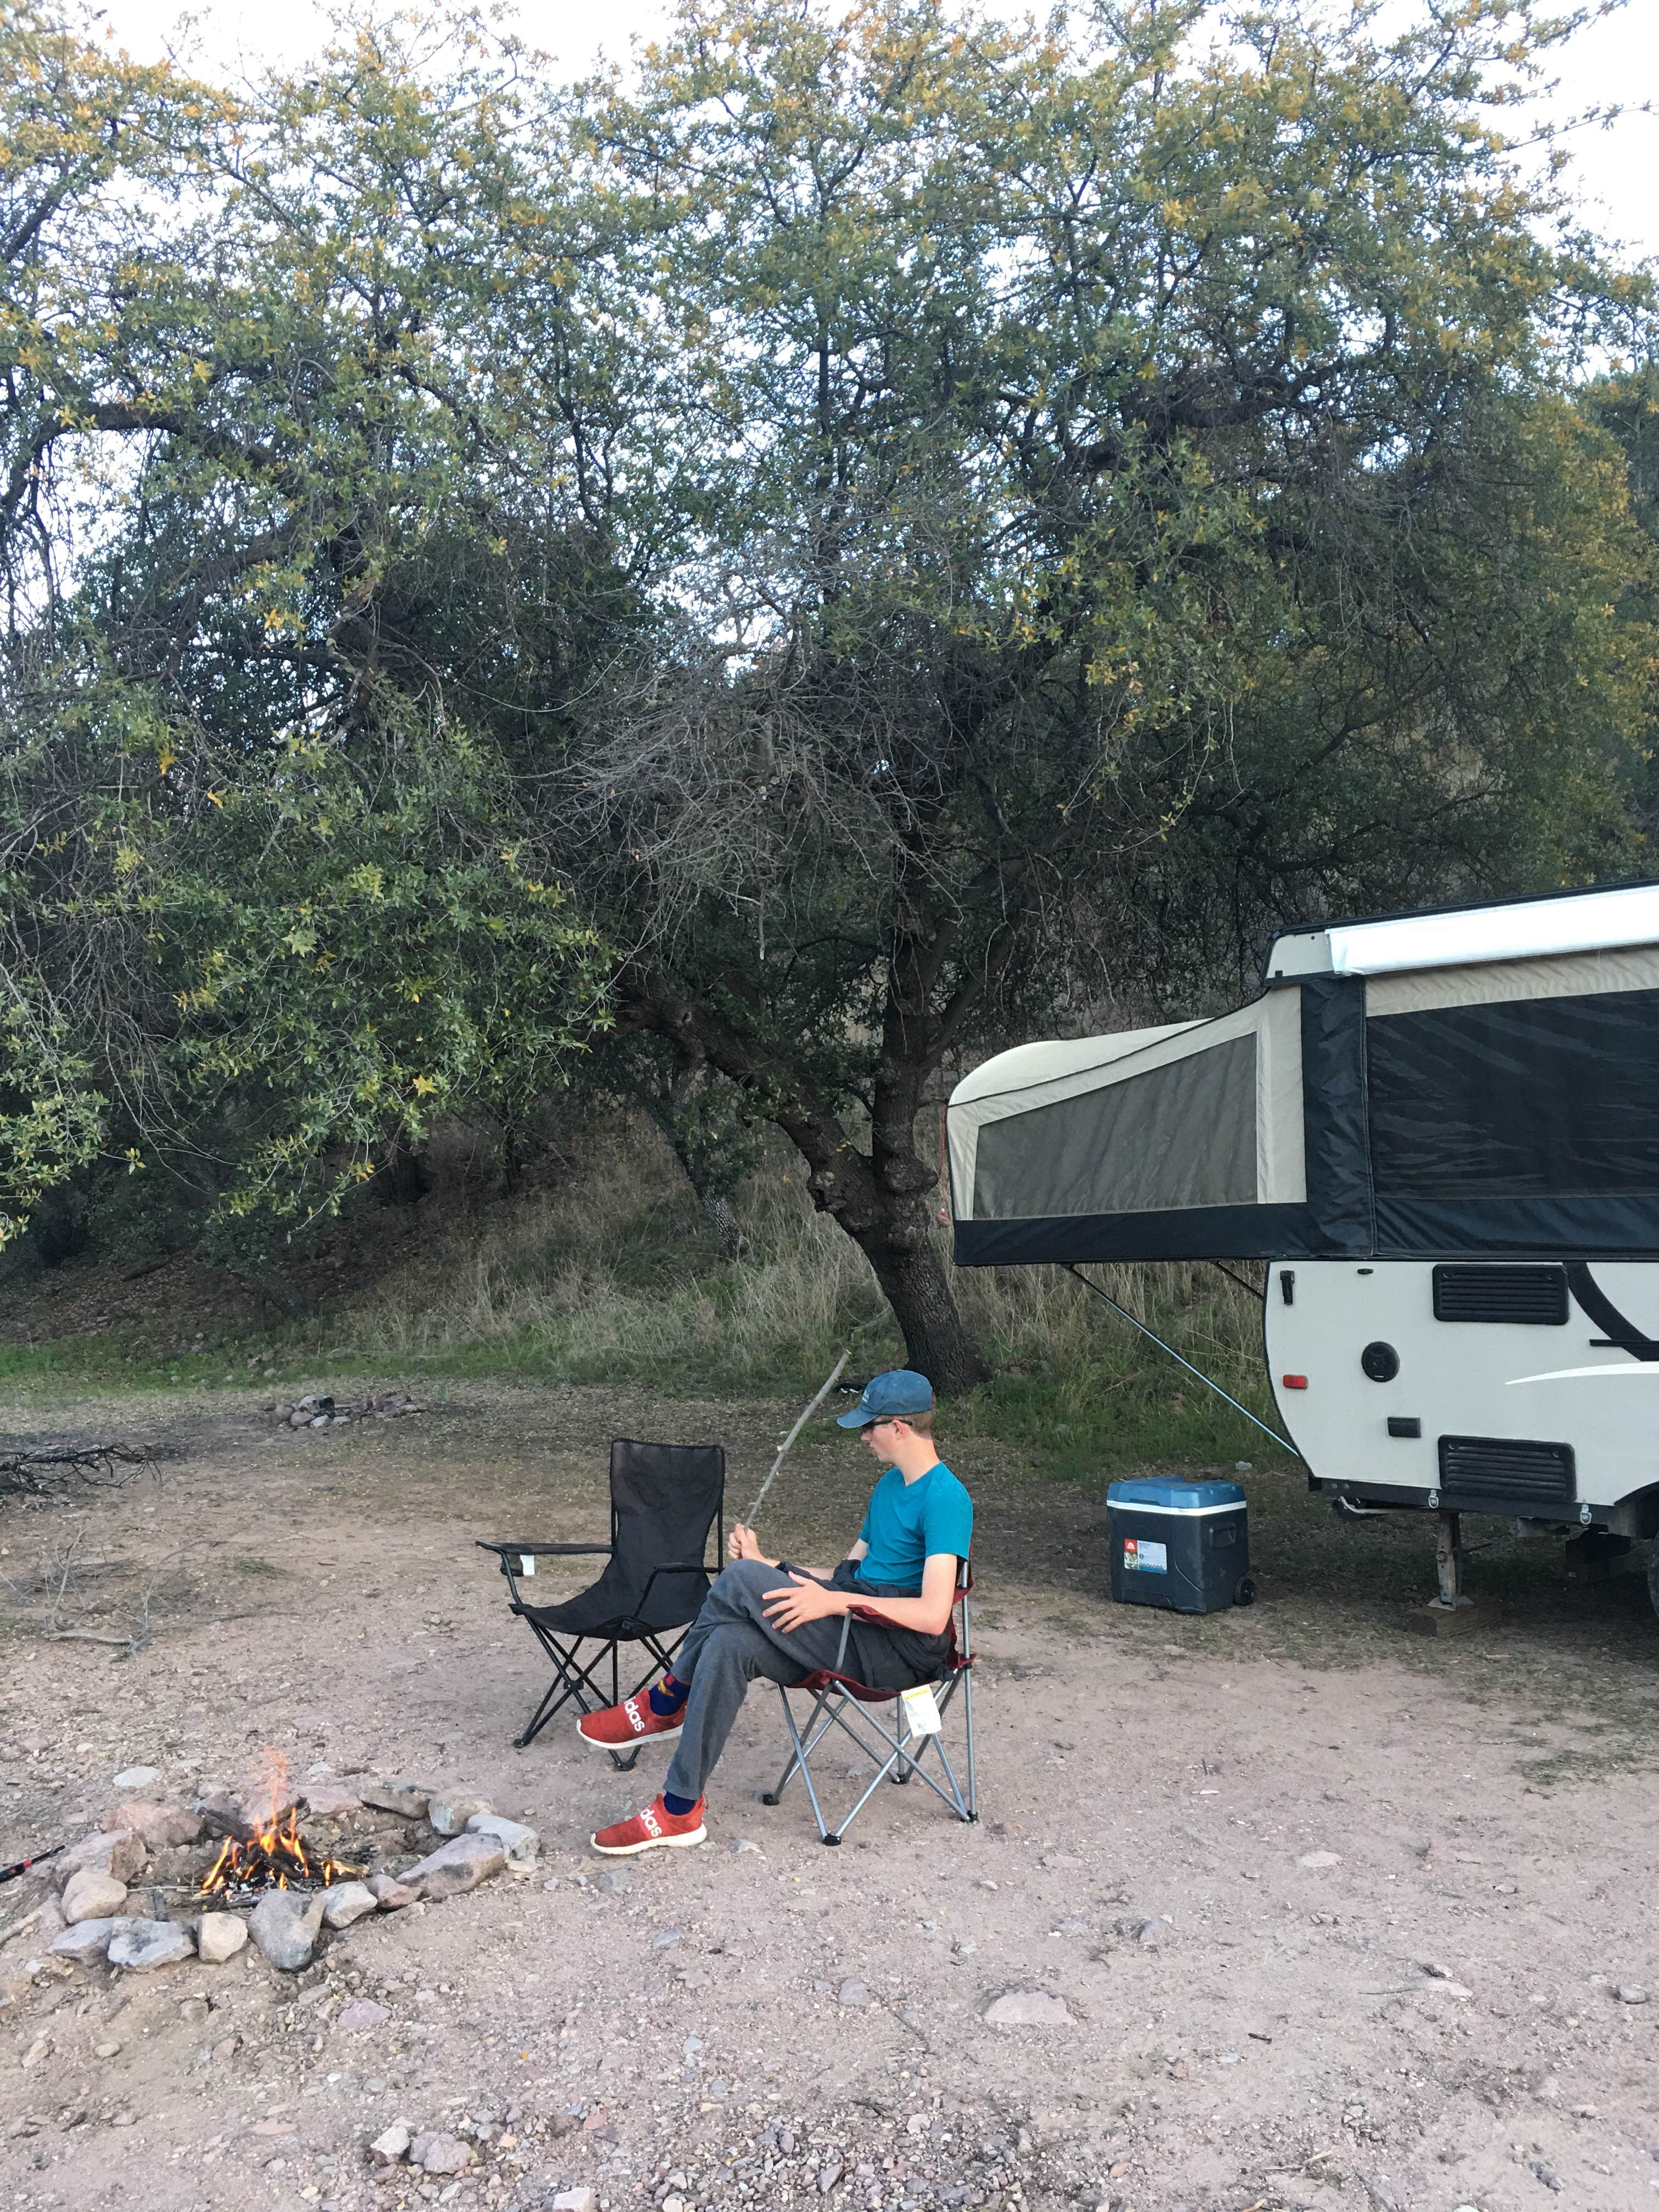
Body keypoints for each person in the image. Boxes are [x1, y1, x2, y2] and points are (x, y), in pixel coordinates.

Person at [578, 1368, 973, 1854]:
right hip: (850, 1628)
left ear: (899, 1427)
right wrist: (769, 1565)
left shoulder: (946, 1499)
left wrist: (831, 1601)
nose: (864, 1437)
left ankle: (664, 1702)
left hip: (896, 1650)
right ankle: (679, 1810)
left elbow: (932, 1616)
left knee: (738, 1579)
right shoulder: (889, 1488)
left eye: (870, 1426)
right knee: (729, 1643)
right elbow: (841, 1577)